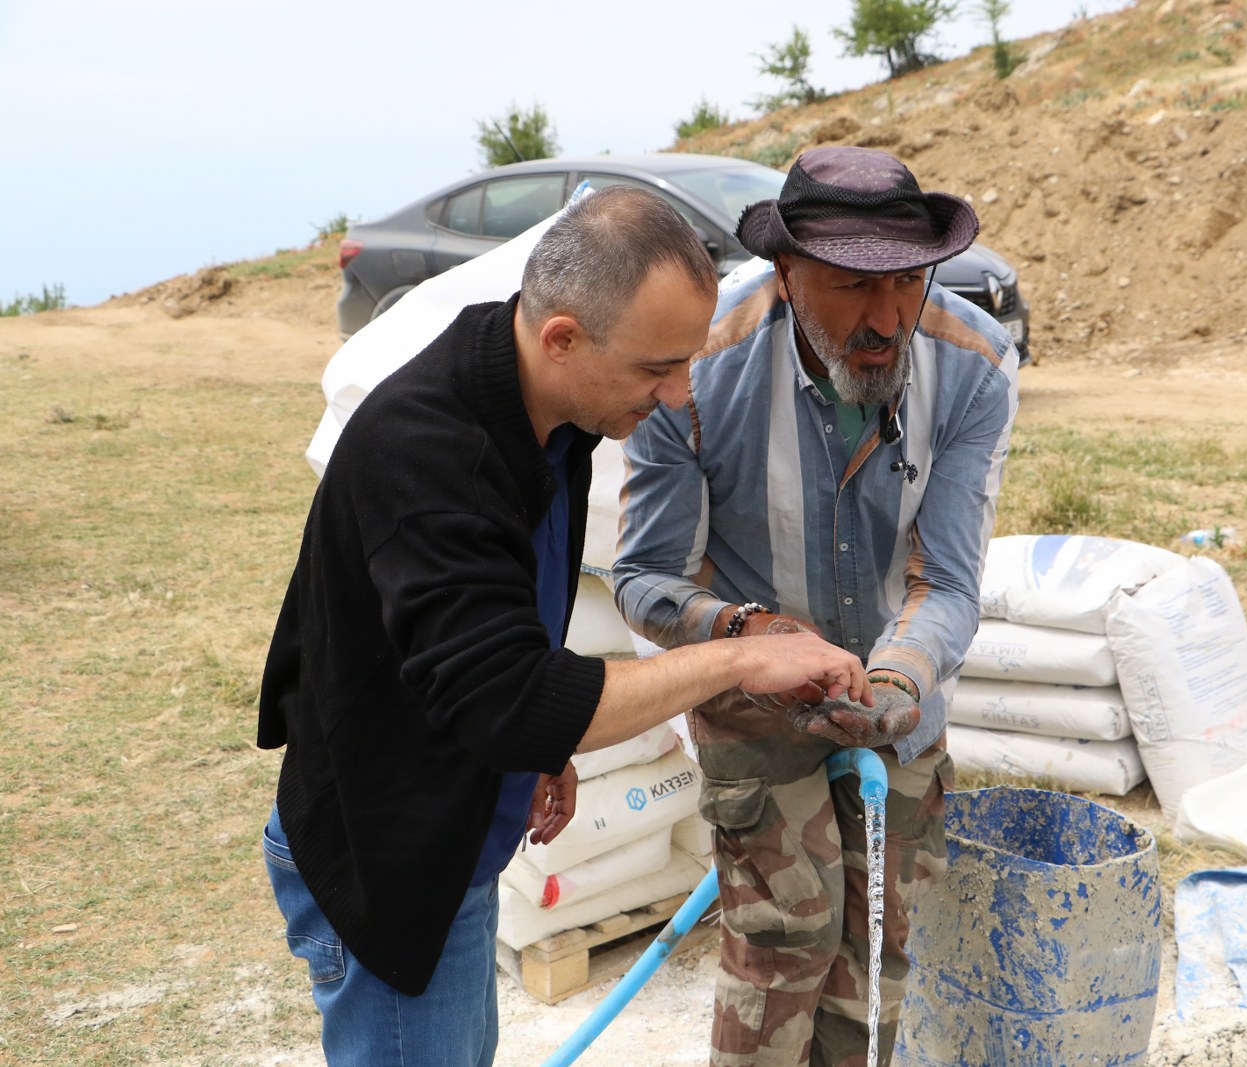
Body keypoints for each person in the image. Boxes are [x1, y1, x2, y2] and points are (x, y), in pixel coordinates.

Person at [256, 186, 872, 1067]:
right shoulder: (430, 453)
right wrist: (738, 656)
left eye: (686, 362)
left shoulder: (551, 408)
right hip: (387, 856)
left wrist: (547, 742)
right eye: (657, 368)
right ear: (562, 338)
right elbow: (508, 696)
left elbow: (500, 612)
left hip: (452, 828)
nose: (675, 394)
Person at [612, 146, 1020, 1065]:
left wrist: (892, 676)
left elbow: (946, 582)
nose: (886, 319)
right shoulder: (699, 369)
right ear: (786, 273)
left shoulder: (973, 367)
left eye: (908, 283)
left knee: (881, 943)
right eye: (849, 286)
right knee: (785, 938)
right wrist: (752, 639)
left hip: (898, 699)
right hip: (750, 695)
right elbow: (645, 578)